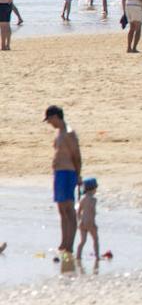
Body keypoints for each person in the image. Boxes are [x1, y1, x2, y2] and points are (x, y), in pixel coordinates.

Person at [47, 105, 81, 257]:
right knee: (61, 210)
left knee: (68, 209)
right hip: (59, 173)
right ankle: (63, 243)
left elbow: (76, 156)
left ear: (56, 117)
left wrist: (78, 175)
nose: (49, 123)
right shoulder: (59, 133)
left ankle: (70, 245)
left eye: (50, 119)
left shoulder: (69, 133)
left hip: (68, 173)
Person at [76, 177, 99, 263]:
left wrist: (79, 220)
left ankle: (78, 256)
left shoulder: (82, 199)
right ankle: (97, 256)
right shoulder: (94, 200)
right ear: (93, 189)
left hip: (82, 223)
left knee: (82, 241)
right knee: (95, 239)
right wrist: (94, 224)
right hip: (90, 223)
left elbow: (78, 211)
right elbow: (93, 212)